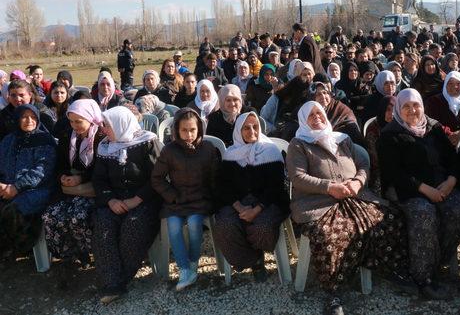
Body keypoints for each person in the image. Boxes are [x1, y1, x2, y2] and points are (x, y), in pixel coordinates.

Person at [287, 101, 407, 314]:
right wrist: (330, 187)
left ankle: (387, 267)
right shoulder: (299, 144)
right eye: (311, 115)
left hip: (354, 195)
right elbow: (297, 177)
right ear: (303, 120)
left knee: (389, 218)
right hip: (318, 202)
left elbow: (364, 165)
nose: (317, 118)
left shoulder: (342, 140)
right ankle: (333, 292)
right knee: (330, 234)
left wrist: (358, 182)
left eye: (320, 113)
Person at [377, 88, 460, 299]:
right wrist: (424, 189)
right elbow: (394, 173)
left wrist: (451, 181)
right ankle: (423, 278)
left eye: (416, 105)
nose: (412, 110)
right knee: (424, 213)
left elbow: (453, 159)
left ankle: (437, 262)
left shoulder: (433, 127)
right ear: (399, 110)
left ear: (422, 105)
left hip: (440, 185)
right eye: (406, 106)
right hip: (407, 188)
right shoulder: (390, 135)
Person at [92, 106, 161, 304]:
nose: (103, 129)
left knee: (133, 225)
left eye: (107, 125)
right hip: (114, 200)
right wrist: (110, 200)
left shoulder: (147, 141)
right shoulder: (105, 146)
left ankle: (116, 281)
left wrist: (136, 199)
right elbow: (99, 180)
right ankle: (111, 282)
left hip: (145, 200)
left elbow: (158, 177)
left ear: (120, 124)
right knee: (103, 223)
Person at [213, 112, 288, 282]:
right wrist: (239, 207)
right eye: (246, 128)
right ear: (238, 131)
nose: (251, 131)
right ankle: (254, 260)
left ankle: (257, 258)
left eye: (255, 126)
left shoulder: (271, 151)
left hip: (268, 203)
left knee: (263, 227)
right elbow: (223, 187)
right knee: (224, 226)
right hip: (237, 203)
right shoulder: (231, 154)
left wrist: (256, 209)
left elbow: (276, 187)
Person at [151, 108, 220, 291]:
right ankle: (183, 269)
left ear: (199, 129)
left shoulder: (208, 149)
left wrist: (213, 200)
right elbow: (157, 178)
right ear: (176, 130)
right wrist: (171, 196)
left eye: (192, 130)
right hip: (177, 199)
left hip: (200, 199)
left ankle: (192, 262)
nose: (188, 135)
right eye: (184, 130)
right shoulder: (169, 150)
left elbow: (215, 178)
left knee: (195, 224)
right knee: (173, 226)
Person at [42, 99, 103, 289]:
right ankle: (69, 257)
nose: (74, 126)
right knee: (51, 216)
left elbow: (102, 169)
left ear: (90, 119)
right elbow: (60, 163)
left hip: (92, 189)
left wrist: (81, 178)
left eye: (79, 121)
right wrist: (63, 176)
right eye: (71, 121)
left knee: (77, 217)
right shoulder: (68, 136)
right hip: (70, 188)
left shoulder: (101, 138)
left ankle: (90, 253)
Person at [0, 105, 57, 260]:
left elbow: (41, 171)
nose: (29, 121)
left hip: (37, 189)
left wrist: (16, 187)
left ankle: (14, 248)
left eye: (33, 117)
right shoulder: (8, 140)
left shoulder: (44, 140)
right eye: (24, 117)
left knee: (13, 210)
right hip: (7, 186)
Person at [425, 71, 460, 146]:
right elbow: (431, 121)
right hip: (441, 146)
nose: (455, 86)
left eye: (458, 84)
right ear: (445, 85)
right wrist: (449, 134)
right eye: (450, 83)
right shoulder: (433, 101)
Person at [260, 65, 313, 140]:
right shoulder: (276, 98)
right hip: (273, 135)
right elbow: (262, 120)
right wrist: (275, 129)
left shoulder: (303, 101)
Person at [309, 81, 365, 147]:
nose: (323, 97)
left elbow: (352, 130)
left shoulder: (340, 108)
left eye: (325, 93)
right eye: (318, 94)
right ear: (312, 97)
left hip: (345, 145)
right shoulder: (308, 111)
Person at [364, 96, 395, 197]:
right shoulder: (373, 130)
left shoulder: (400, 124)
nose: (392, 114)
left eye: (395, 109)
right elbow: (375, 159)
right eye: (388, 110)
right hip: (381, 169)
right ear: (382, 110)